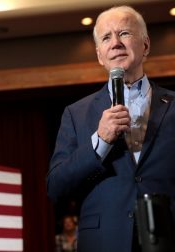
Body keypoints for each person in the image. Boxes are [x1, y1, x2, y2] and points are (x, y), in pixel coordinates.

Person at [46, 5, 175, 252]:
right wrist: (100, 141)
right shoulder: (76, 114)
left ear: (145, 45)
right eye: (106, 37)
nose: (115, 43)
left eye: (124, 33)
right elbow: (56, 187)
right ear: (100, 55)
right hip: (104, 242)